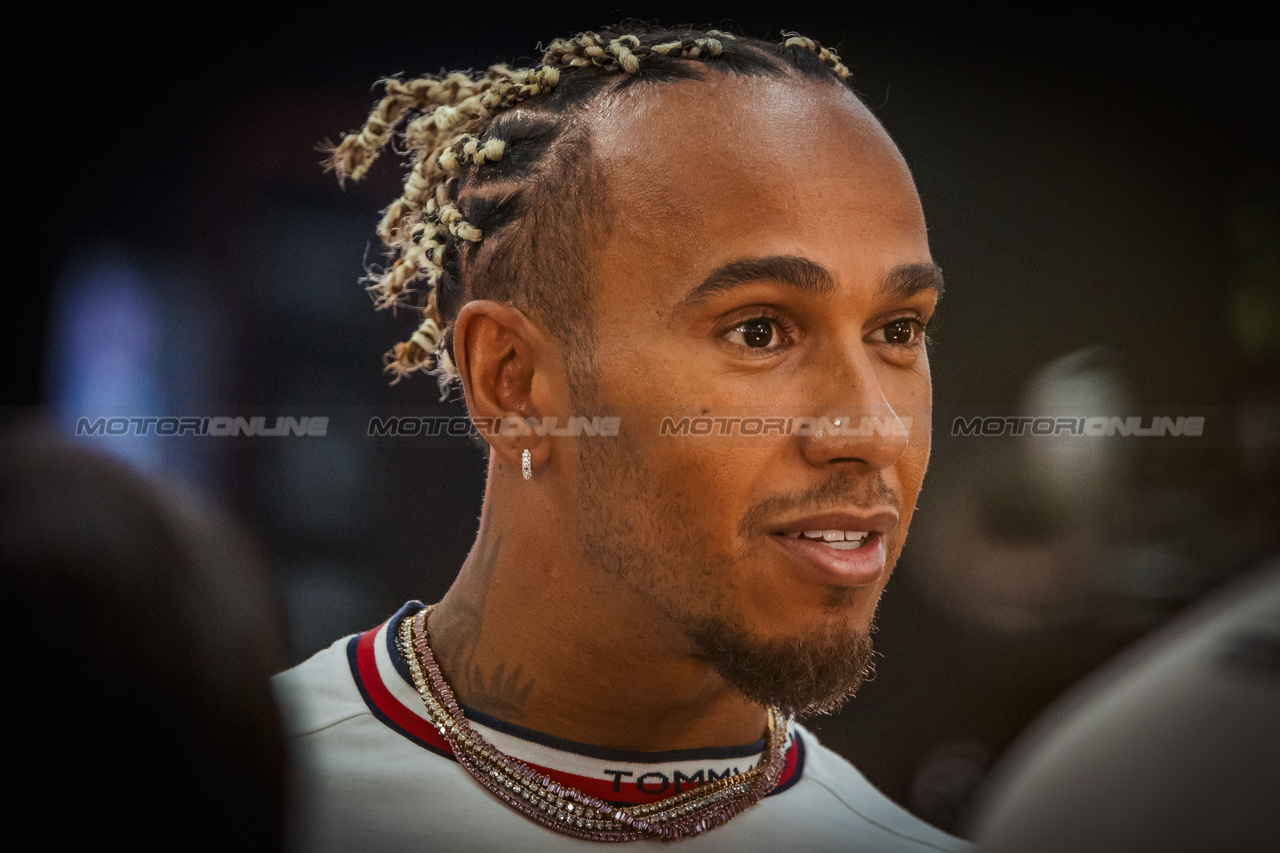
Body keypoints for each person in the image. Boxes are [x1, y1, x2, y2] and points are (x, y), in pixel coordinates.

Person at [274, 23, 966, 851]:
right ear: (514, 381)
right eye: (758, 332)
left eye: (897, 329)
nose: (872, 431)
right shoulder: (215, 790)